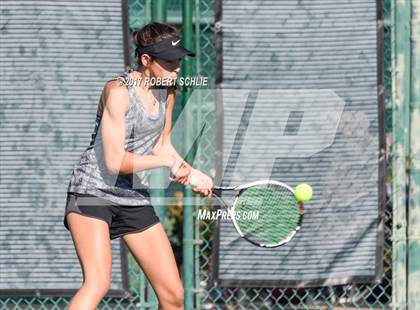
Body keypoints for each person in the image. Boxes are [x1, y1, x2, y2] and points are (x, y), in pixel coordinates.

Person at [63, 22, 213, 310]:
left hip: (132, 196)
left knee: (173, 296)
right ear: (146, 60)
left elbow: (162, 145)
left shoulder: (168, 91)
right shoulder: (117, 91)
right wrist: (166, 162)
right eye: (169, 62)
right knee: (97, 283)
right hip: (93, 191)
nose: (176, 68)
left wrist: (190, 171)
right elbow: (115, 160)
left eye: (179, 60)